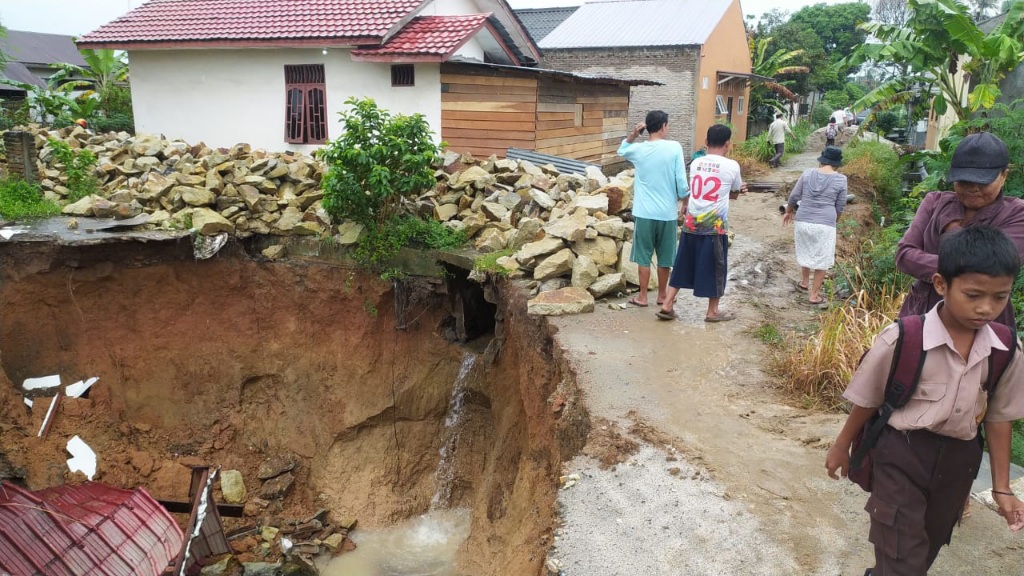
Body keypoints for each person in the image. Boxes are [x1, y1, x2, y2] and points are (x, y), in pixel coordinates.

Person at [826, 225, 1024, 576]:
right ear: (940, 284)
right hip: (902, 454)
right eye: (974, 294)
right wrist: (842, 446)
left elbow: (998, 418)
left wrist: (1001, 488)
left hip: (959, 462)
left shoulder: (1006, 349)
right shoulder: (903, 338)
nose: (986, 308)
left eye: (1000, 297)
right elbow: (868, 400)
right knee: (903, 558)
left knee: (926, 548)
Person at [896, 131, 1024, 328]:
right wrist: (964, 268)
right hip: (922, 313)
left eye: (982, 181)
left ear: (1004, 176)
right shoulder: (934, 202)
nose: (973, 188)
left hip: (984, 321)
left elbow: (993, 267)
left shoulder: (1017, 214)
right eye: (964, 181)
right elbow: (904, 256)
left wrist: (952, 228)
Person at [656, 124, 745, 322]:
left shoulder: (696, 163)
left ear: (706, 142)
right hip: (714, 228)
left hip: (691, 224)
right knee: (717, 268)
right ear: (728, 144)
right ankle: (712, 311)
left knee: (682, 264)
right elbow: (735, 193)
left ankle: (667, 303)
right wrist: (740, 189)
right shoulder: (732, 166)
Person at [617, 110, 688, 307]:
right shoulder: (674, 147)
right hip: (667, 213)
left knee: (644, 256)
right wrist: (685, 201)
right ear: (664, 126)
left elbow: (621, 151)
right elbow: (681, 181)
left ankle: (642, 296)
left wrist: (633, 134)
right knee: (665, 257)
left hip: (644, 213)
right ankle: (662, 295)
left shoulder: (639, 150)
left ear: (647, 127)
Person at [782, 146, 847, 306]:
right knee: (822, 257)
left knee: (806, 249)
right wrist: (834, 221)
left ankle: (804, 281)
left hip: (803, 220)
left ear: (822, 161)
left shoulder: (807, 173)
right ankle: (814, 295)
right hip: (825, 223)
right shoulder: (841, 179)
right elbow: (840, 206)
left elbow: (794, 196)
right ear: (837, 164)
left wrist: (788, 211)